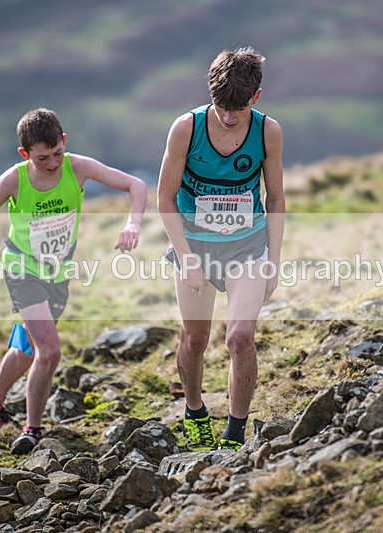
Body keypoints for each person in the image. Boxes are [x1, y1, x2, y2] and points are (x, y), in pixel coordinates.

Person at [0, 108, 147, 454]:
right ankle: (33, 429)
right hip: (22, 270)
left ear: (64, 142)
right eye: (43, 158)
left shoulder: (78, 167)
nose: (54, 163)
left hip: (58, 273)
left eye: (57, 153)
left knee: (28, 350)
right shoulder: (14, 179)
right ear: (25, 154)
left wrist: (132, 223)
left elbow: (136, 185)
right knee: (50, 350)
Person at [157, 47, 285, 451]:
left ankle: (235, 433)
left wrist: (274, 263)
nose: (229, 117)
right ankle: (194, 411)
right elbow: (165, 197)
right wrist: (186, 257)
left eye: (238, 109)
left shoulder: (268, 132)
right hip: (194, 246)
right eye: (221, 107)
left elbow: (276, 199)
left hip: (247, 248)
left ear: (256, 98)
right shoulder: (186, 129)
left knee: (240, 338)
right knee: (195, 339)